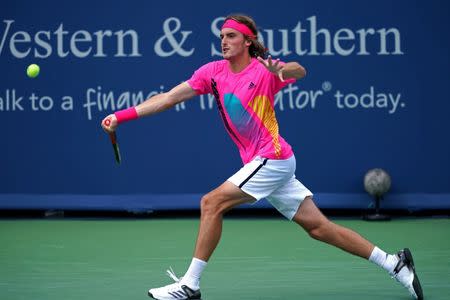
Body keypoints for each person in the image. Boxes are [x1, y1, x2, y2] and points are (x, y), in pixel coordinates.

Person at [101, 14, 423, 300]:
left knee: (211, 203)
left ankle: (190, 285)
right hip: (266, 162)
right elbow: (169, 98)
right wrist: (122, 116)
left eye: (231, 36)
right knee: (319, 228)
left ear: (248, 41)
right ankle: (394, 262)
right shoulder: (212, 72)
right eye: (222, 37)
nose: (223, 42)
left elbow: (300, 70)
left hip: (273, 157)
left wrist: (279, 68)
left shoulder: (264, 71)